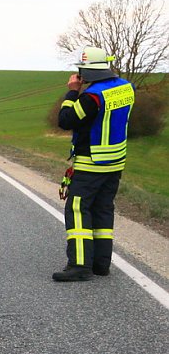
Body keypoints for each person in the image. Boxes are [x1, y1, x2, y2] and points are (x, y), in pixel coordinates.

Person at [53, 46, 135, 282]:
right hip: (115, 162)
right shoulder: (126, 88)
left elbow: (65, 120)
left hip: (92, 163)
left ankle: (79, 265)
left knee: (78, 211)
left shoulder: (92, 97)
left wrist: (71, 93)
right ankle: (101, 264)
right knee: (103, 210)